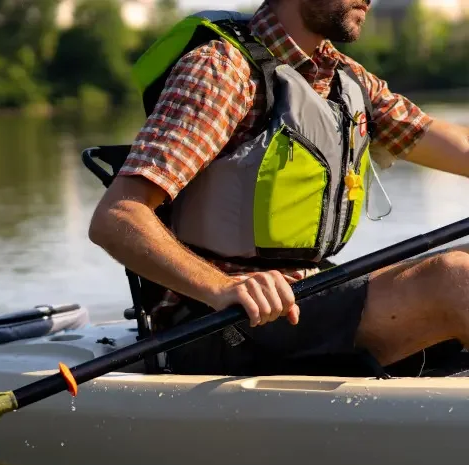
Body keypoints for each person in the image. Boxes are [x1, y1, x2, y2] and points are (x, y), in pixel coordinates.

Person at [88, 0, 469, 376]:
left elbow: (455, 147)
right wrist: (220, 287)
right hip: (219, 323)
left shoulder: (345, 79)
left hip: (305, 297)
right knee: (456, 277)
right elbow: (118, 215)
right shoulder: (221, 69)